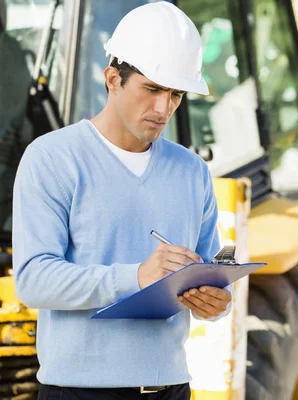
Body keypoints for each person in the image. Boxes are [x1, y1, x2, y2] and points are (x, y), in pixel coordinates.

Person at [11, 2, 232, 399]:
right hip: (79, 391)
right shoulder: (52, 158)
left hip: (171, 388)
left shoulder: (192, 172)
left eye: (176, 94)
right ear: (113, 78)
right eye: (152, 89)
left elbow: (209, 271)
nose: (164, 108)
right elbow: (33, 279)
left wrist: (215, 302)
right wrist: (135, 276)